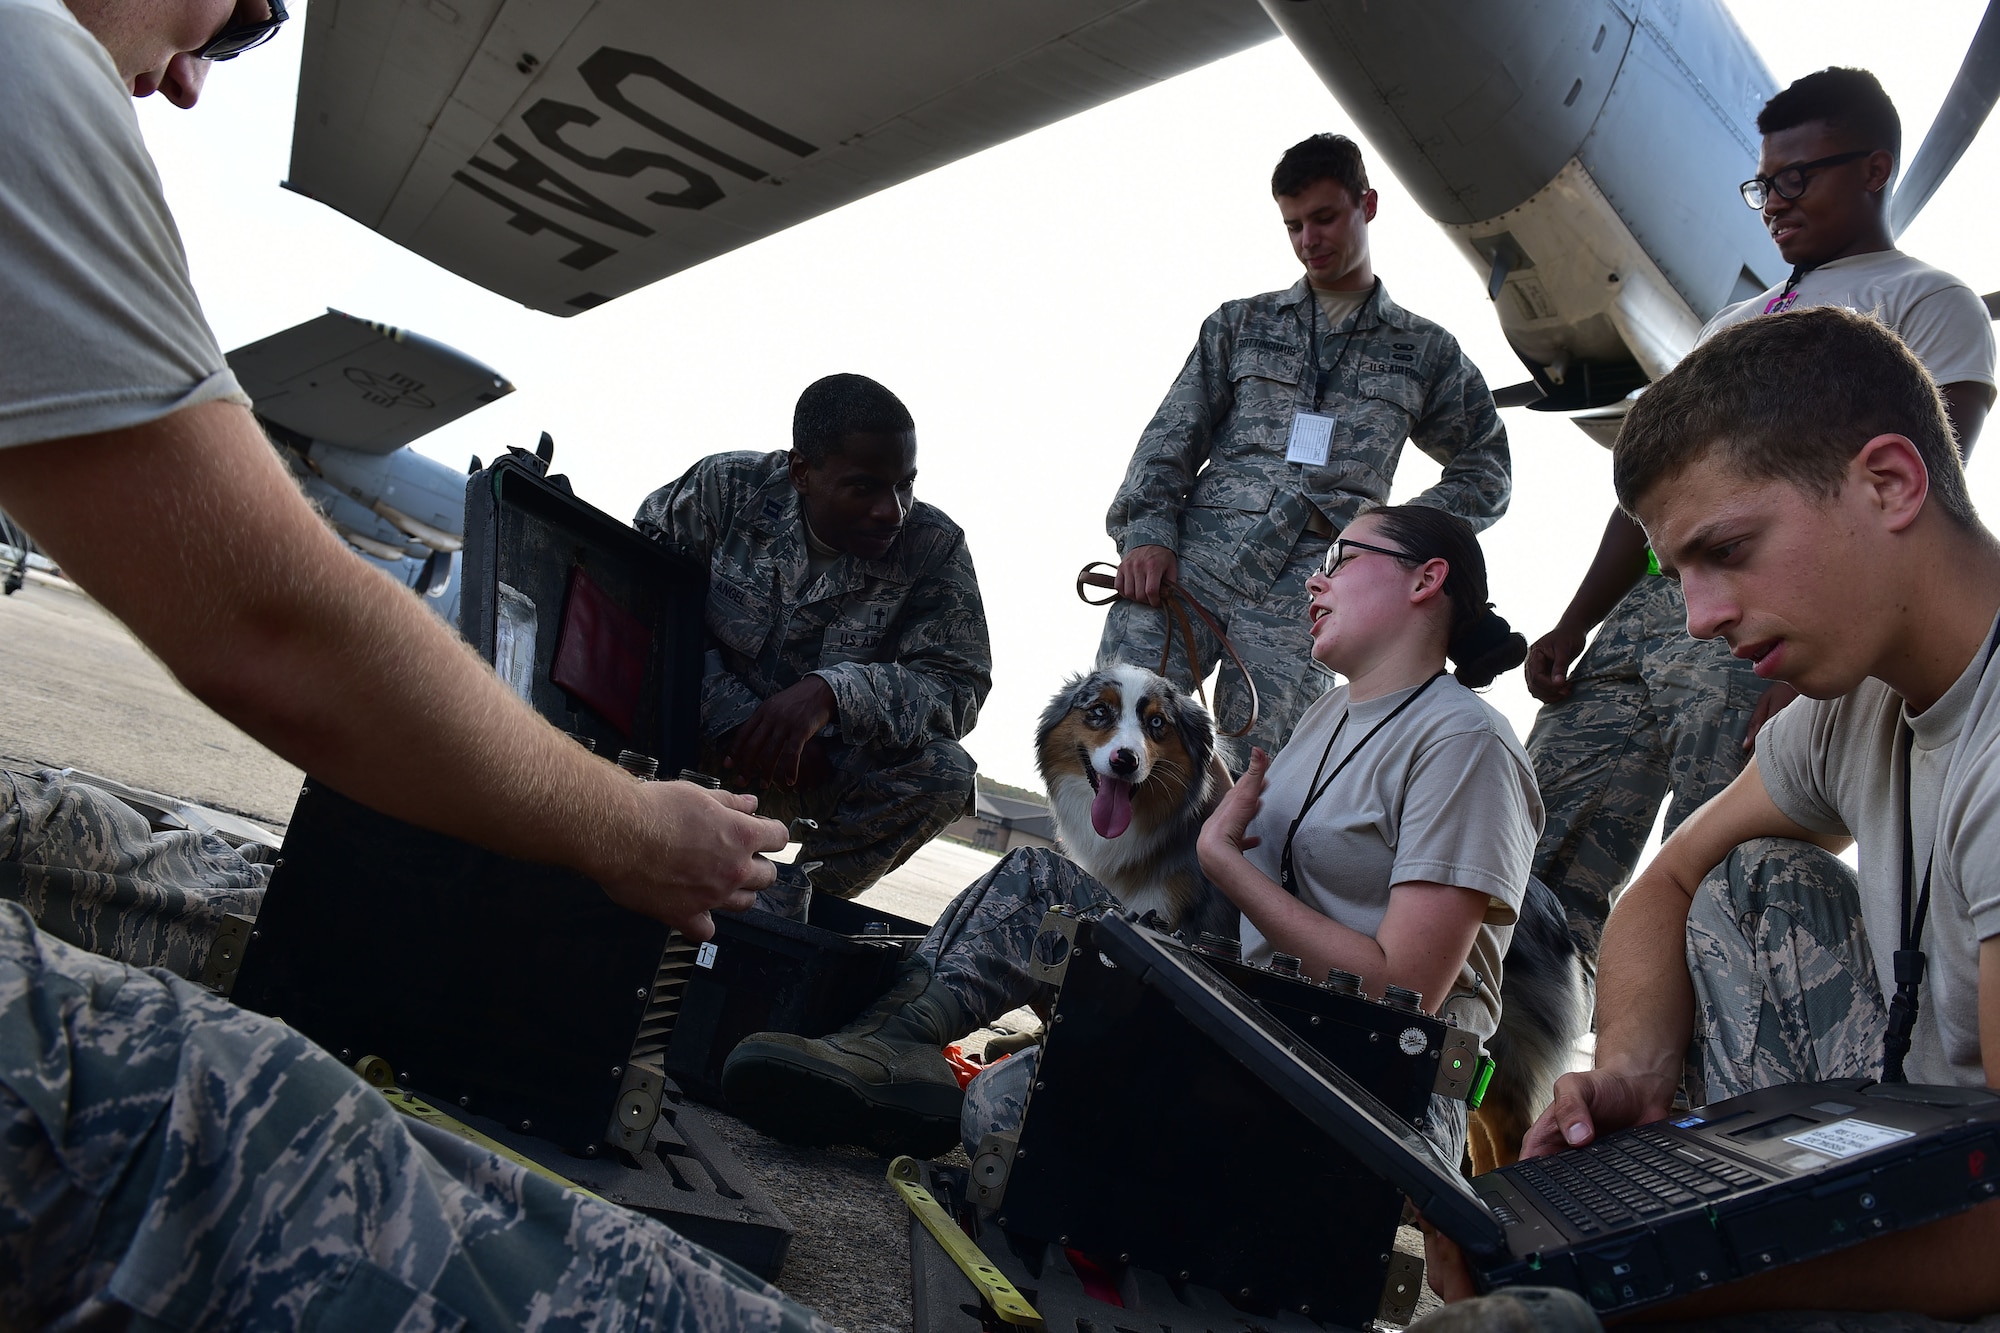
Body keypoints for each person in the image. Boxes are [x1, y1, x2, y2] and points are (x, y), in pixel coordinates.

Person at [0, 0, 825, 1325]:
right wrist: (622, 825)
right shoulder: (19, 56)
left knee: (122, 848)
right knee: (280, 1134)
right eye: (247, 17)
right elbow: (271, 627)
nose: (202, 82)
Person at [1434, 306, 2000, 1324]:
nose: (1696, 618)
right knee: (1746, 878)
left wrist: (1671, 1278)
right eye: (1673, 572)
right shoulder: (1854, 702)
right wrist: (1628, 1077)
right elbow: (1668, 880)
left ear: (1888, 483)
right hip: (1917, 1174)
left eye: (1726, 549)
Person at [721, 505, 1539, 1169]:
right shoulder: (1334, 712)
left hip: (1362, 1083)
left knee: (1008, 1108)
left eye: (1343, 555)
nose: (1316, 578)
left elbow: (1404, 995)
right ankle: (888, 1048)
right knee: (1038, 882)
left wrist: (1222, 858)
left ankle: (918, 1085)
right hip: (1263, 1029)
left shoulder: (1466, 744)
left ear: (1426, 580)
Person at [1522, 67, 1997, 963]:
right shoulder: (1732, 323)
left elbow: (1932, 488)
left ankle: (1706, 1100)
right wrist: (1576, 621)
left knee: (1727, 882)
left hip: (1768, 624)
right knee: (1543, 859)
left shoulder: (1925, 302)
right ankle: (1501, 1092)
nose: (1772, 203)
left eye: (1796, 178)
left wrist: (1825, 673)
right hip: (1647, 625)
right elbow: (1652, 496)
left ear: (1873, 168)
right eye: (1761, 183)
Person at [1099, 133, 1511, 760]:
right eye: (1293, 225)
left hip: (1314, 593)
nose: (1308, 241)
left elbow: (1487, 467)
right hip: (1193, 564)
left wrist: (1396, 537)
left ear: (1367, 205)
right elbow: (1170, 437)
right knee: (1115, 727)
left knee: (1257, 778)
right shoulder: (1242, 324)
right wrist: (1146, 533)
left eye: (1324, 218)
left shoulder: (1424, 352)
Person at [633, 376, 990, 907]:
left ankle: (780, 907)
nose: (892, 510)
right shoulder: (726, 489)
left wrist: (833, 696)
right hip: (675, 732)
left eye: (905, 484)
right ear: (803, 472)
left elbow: (957, 686)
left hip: (808, 770)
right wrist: (732, 715)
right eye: (865, 487)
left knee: (946, 772)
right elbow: (638, 592)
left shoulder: (933, 547)